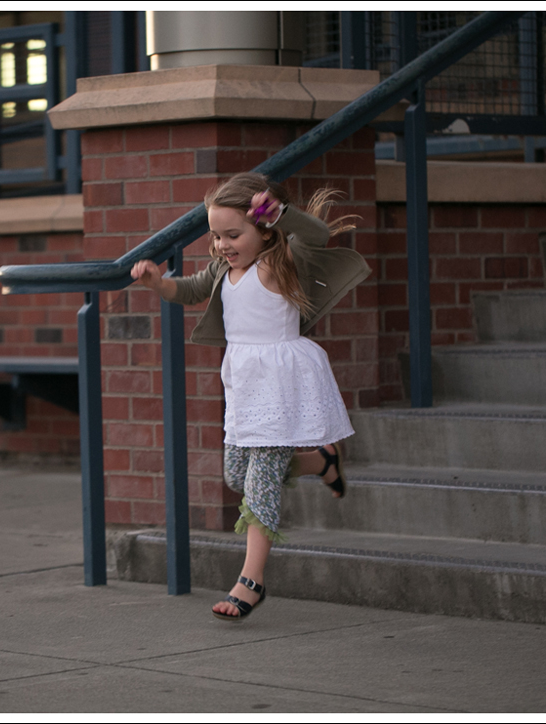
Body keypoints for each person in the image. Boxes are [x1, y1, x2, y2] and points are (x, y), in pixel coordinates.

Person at [131, 172, 371, 621]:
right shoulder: (224, 271)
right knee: (237, 475)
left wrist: (282, 214)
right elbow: (190, 289)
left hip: (282, 384)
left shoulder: (281, 261)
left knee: (260, 482)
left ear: (264, 228)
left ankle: (251, 580)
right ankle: (321, 462)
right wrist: (158, 284)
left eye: (233, 234)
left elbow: (316, 235)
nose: (222, 244)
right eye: (216, 236)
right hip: (244, 386)